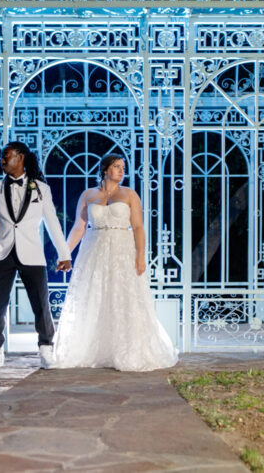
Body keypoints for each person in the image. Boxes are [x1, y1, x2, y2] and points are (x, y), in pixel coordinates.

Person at [51, 154, 178, 371]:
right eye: (117, 167)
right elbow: (79, 227)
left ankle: (127, 349)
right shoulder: (88, 194)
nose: (121, 170)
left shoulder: (129, 194)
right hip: (95, 248)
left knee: (123, 295)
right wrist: (65, 253)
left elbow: (138, 227)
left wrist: (140, 256)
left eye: (123, 167)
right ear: (105, 169)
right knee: (94, 295)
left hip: (122, 249)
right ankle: (94, 348)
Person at [0, 141, 71, 370]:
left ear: (20, 158)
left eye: (6, 156)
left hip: (31, 253)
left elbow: (52, 222)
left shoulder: (41, 188)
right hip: (1, 253)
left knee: (41, 304)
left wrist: (64, 254)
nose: (2, 160)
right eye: (2, 157)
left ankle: (46, 349)